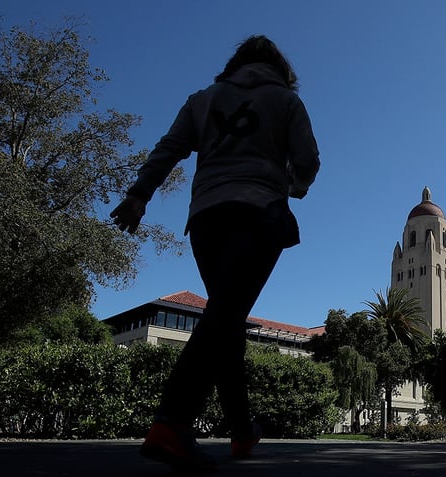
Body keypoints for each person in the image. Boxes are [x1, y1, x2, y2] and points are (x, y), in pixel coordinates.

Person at [110, 35, 319, 473]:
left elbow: (168, 150)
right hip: (259, 212)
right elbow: (308, 161)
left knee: (227, 319)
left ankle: (242, 431)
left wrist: (138, 195)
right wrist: (292, 185)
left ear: (236, 63)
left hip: (206, 218)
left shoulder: (203, 99)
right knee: (225, 315)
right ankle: (171, 422)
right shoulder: (285, 101)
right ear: (280, 68)